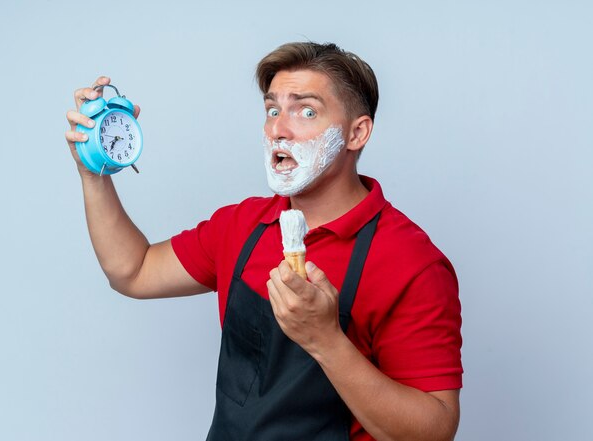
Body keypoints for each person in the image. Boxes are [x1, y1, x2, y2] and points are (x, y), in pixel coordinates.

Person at [65, 42, 463, 441]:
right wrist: (94, 172)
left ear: (356, 133)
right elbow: (132, 271)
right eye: (273, 110)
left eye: (306, 111)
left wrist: (326, 341)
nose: (278, 129)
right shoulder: (243, 225)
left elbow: (434, 431)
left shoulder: (411, 263)